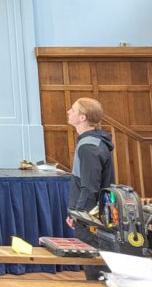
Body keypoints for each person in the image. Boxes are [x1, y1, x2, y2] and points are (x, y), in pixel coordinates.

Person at [64, 97, 115, 281]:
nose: (68, 112)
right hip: (93, 215)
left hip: (91, 218)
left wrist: (78, 215)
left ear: (82, 117)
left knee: (96, 272)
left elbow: (90, 187)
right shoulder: (92, 142)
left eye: (73, 110)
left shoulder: (88, 146)